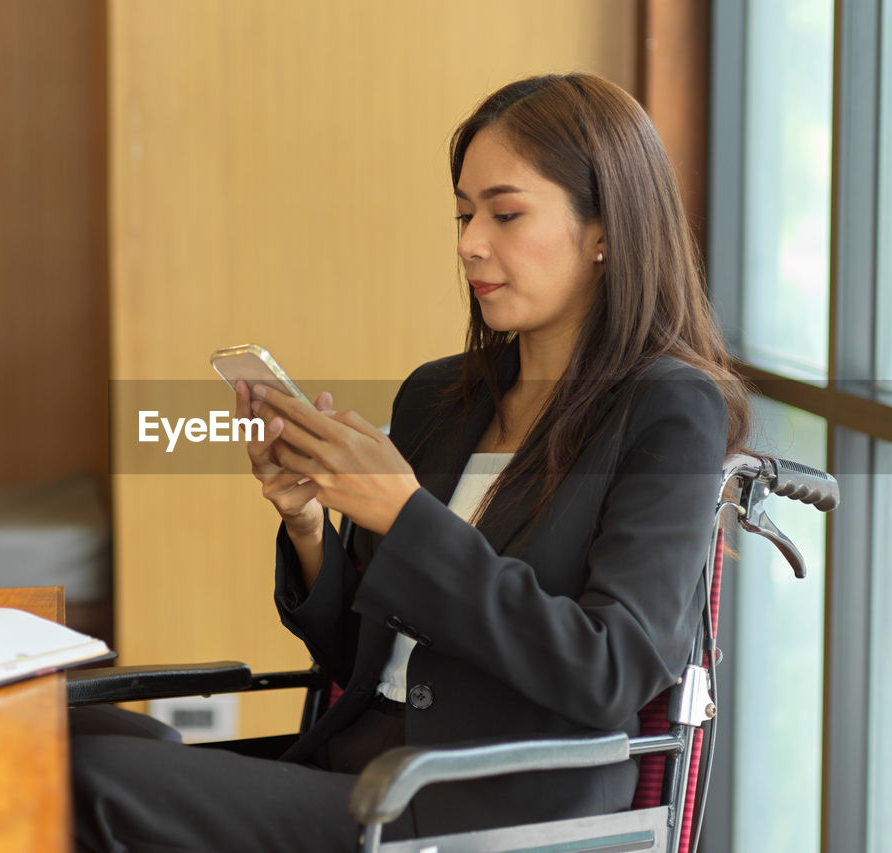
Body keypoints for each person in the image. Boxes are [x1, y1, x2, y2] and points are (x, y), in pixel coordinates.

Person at [71, 72, 750, 851]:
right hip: (360, 772)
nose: (469, 242)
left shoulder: (668, 409)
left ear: (605, 229)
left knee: (94, 781)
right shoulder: (441, 396)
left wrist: (403, 514)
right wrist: (307, 526)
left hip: (490, 809)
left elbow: (612, 671)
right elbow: (358, 658)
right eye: (464, 214)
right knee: (50, 734)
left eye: (505, 213)